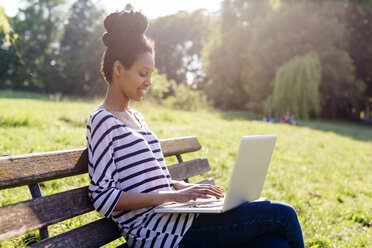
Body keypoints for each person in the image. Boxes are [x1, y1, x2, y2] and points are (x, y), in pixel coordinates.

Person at [86, 9, 305, 248]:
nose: (149, 82)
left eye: (151, 74)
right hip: (158, 235)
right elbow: (103, 197)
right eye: (142, 74)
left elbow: (155, 183)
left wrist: (190, 189)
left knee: (274, 244)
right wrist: (173, 196)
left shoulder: (137, 117)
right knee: (284, 214)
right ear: (118, 69)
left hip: (180, 220)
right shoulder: (102, 121)